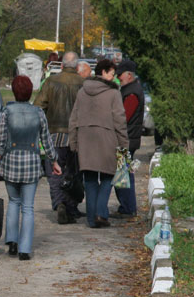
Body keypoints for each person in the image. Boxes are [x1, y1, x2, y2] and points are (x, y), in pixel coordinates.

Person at [0, 76, 62, 260]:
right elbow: (46, 140)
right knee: (28, 207)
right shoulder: (38, 113)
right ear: (31, 92)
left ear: (14, 91)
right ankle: (25, 249)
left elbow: (0, 141)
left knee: (14, 201)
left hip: (11, 163)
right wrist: (53, 161)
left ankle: (12, 242)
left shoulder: (6, 112)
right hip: (31, 163)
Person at [69, 58, 129, 228]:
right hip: (107, 141)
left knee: (89, 180)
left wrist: (73, 142)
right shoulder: (114, 94)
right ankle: (100, 213)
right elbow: (119, 120)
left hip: (85, 141)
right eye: (112, 74)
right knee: (108, 177)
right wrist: (124, 143)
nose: (114, 78)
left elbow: (74, 118)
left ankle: (91, 218)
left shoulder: (82, 91)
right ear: (103, 72)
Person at [33, 51, 85, 224]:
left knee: (55, 173)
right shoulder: (83, 84)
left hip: (54, 135)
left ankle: (59, 203)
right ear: (77, 67)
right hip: (76, 136)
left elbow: (38, 106)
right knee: (73, 173)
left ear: (61, 65)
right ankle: (71, 207)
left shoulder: (50, 82)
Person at [112, 59, 145, 218]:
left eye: (121, 75)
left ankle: (128, 207)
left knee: (122, 175)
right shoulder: (131, 89)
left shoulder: (131, 92)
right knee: (123, 174)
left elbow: (123, 116)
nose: (119, 78)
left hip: (126, 140)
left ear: (129, 75)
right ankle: (126, 207)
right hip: (128, 138)